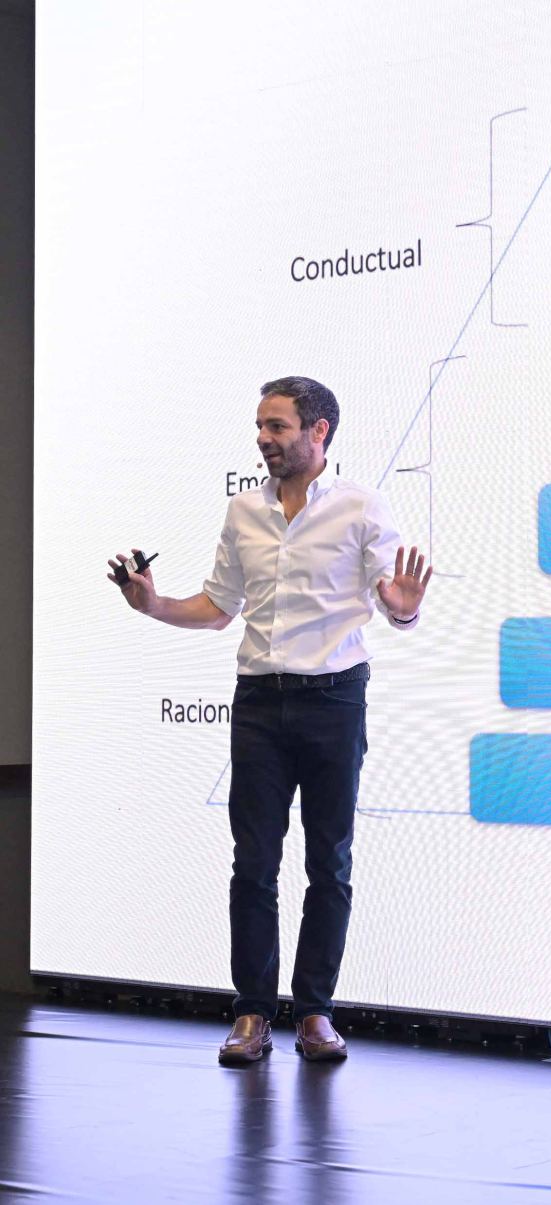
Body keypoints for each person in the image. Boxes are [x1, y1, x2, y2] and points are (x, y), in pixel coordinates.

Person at [108, 376, 430, 1065]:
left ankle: (315, 1013)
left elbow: (394, 600)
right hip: (259, 702)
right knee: (253, 863)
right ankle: (252, 1013)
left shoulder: (361, 506)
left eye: (277, 426)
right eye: (260, 426)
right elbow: (218, 608)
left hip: (334, 699)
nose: (264, 439)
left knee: (328, 862)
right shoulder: (243, 511)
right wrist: (153, 604)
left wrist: (404, 609)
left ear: (319, 432)